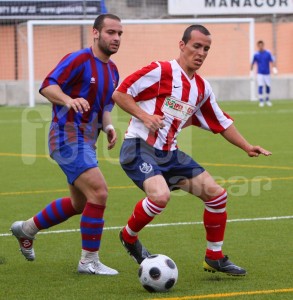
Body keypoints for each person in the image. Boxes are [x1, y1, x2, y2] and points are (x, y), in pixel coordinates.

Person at [112, 24, 272, 276]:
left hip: (171, 154)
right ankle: (128, 236)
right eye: (196, 46)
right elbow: (120, 93)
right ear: (182, 45)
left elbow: (221, 122)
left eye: (206, 49)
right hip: (139, 147)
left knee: (217, 196)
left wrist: (246, 146)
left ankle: (214, 257)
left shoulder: (201, 89)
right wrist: (145, 115)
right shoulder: (160, 70)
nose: (201, 53)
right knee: (160, 196)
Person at [10, 13, 123, 275]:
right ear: (95, 33)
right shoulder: (79, 59)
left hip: (87, 141)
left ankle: (26, 229)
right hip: (66, 136)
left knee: (80, 204)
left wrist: (107, 127)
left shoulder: (113, 70)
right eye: (110, 32)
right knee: (100, 192)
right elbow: (48, 85)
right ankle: (88, 261)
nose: (116, 38)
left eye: (119, 34)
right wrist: (68, 100)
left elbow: (105, 105)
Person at [250, 40, 278, 107]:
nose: (260, 46)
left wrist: (274, 68)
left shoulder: (268, 53)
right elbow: (252, 63)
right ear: (258, 46)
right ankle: (261, 101)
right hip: (260, 73)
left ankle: (267, 100)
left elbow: (272, 61)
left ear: (263, 45)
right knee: (260, 86)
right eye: (259, 45)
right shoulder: (256, 54)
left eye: (261, 45)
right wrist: (251, 72)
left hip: (267, 73)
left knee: (268, 86)